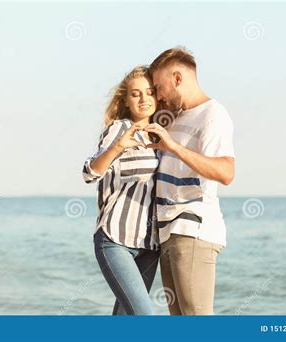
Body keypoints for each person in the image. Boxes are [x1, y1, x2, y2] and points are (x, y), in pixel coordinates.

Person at [143, 47, 235, 315]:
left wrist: (173, 147)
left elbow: (226, 172)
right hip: (168, 231)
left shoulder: (213, 114)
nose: (158, 95)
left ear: (178, 78)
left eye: (159, 87)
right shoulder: (175, 117)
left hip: (193, 229)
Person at [82, 65, 160, 315]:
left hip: (150, 246)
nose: (144, 99)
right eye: (136, 94)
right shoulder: (118, 130)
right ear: (126, 100)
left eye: (149, 92)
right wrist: (118, 147)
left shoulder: (162, 135)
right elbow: (89, 172)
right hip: (115, 239)